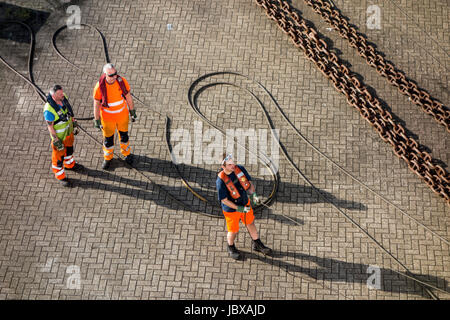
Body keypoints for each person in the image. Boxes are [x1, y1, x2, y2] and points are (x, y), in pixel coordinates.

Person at [216, 154, 272, 260]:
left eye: (233, 162)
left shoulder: (240, 169)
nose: (233, 165)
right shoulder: (220, 182)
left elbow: (249, 184)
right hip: (232, 210)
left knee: (250, 223)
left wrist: (254, 195)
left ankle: (257, 243)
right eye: (230, 164)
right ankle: (230, 246)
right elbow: (224, 200)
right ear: (223, 167)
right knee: (233, 231)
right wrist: (239, 209)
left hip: (245, 203)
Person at [93, 63, 137, 170]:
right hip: (107, 119)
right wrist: (97, 120)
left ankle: (126, 154)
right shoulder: (100, 86)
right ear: (105, 74)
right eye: (111, 75)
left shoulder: (121, 82)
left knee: (124, 136)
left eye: (115, 74)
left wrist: (132, 111)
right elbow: (96, 103)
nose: (114, 77)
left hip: (122, 116)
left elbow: (128, 97)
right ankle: (108, 158)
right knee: (108, 140)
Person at [43, 85, 82, 187]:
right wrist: (56, 140)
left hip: (68, 133)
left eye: (62, 92)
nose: (63, 95)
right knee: (58, 158)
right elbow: (50, 127)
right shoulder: (49, 110)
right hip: (59, 138)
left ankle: (69, 164)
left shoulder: (63, 97)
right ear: (54, 96)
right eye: (60, 94)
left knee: (69, 150)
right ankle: (60, 176)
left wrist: (74, 122)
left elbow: (68, 111)